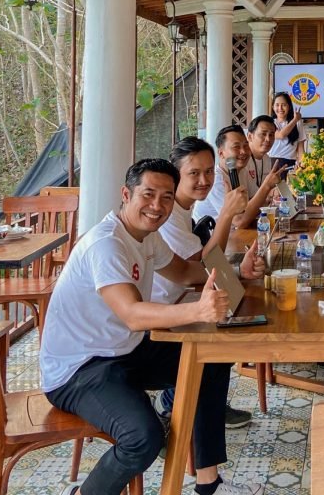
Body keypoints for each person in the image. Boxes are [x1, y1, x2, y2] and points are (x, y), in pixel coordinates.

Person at [40, 159, 265, 495]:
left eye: (166, 197)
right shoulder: (107, 243)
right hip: (80, 369)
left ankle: (209, 483)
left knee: (210, 360)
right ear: (126, 194)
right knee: (142, 437)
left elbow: (187, 273)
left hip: (125, 351)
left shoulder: (148, 237)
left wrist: (237, 275)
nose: (156, 206)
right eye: (148, 195)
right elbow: (132, 314)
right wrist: (198, 310)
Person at [151, 137, 262, 431]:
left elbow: (205, 263)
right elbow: (200, 265)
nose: (204, 180)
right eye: (194, 173)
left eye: (210, 171)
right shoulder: (168, 214)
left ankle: (199, 403)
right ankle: (180, 406)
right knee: (219, 340)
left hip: (184, 296)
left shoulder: (184, 208)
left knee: (232, 321)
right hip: (164, 309)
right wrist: (226, 213)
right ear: (175, 175)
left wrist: (237, 270)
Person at [193, 125, 282, 229]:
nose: (243, 152)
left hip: (236, 235)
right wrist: (266, 186)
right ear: (221, 154)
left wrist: (269, 196)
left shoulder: (243, 171)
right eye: (236, 147)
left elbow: (253, 199)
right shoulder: (216, 180)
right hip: (212, 239)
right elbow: (239, 221)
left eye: (246, 146)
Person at [268, 91, 306, 174]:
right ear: (273, 107)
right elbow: (281, 135)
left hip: (290, 164)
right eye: (277, 105)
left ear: (289, 107)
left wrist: (302, 164)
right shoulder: (270, 123)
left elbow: (300, 148)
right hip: (271, 163)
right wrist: (295, 120)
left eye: (284, 105)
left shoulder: (298, 123)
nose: (280, 108)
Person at [245, 115, 277, 197]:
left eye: (271, 135)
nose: (268, 139)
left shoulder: (266, 159)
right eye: (263, 134)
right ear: (250, 137)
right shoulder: (242, 160)